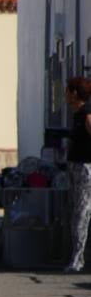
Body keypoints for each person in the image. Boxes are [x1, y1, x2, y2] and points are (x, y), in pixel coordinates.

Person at [65, 77, 91, 273]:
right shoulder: (76, 115)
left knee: (82, 213)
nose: (65, 95)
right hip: (75, 165)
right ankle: (75, 255)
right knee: (75, 212)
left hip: (85, 167)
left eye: (67, 91)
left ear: (74, 93)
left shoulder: (86, 114)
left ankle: (78, 259)